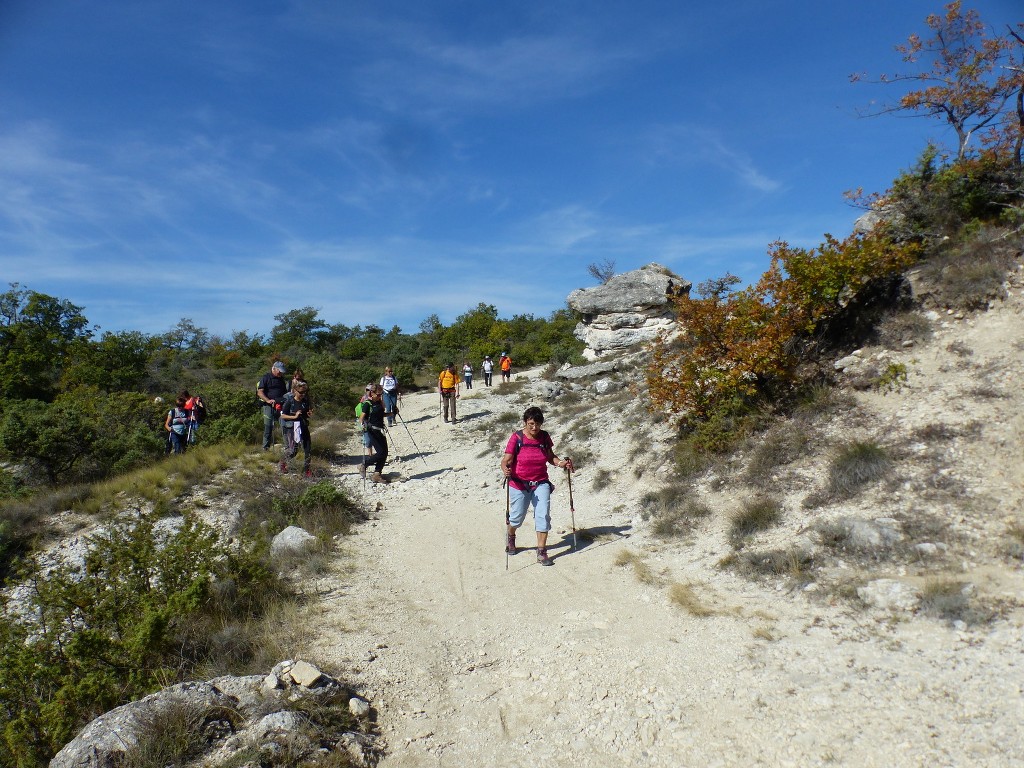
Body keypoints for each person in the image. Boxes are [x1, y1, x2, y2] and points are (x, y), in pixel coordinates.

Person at [500, 406, 573, 566]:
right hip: (519, 483)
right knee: (517, 518)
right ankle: (511, 536)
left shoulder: (544, 437)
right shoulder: (517, 438)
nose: (534, 427)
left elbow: (550, 456)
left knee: (543, 515)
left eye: (537, 424)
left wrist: (561, 463)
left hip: (540, 482)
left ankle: (541, 551)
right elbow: (506, 460)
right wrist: (505, 468)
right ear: (525, 422)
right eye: (531, 424)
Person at [359, 384, 389, 484]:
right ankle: (364, 465)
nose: (380, 396)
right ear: (372, 393)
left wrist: (392, 413)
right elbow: (362, 417)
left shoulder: (379, 402)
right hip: (372, 430)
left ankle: (377, 474)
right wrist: (362, 426)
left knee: (384, 452)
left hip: (380, 429)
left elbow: (381, 414)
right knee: (381, 452)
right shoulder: (368, 403)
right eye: (378, 394)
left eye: (381, 394)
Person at [280, 383, 312, 476]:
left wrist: (308, 414)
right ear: (294, 391)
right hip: (293, 427)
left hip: (303, 426)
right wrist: (294, 416)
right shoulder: (290, 401)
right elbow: (282, 415)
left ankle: (307, 470)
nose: (303, 394)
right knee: (293, 450)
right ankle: (283, 463)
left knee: (308, 449)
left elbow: (306, 412)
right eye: (301, 392)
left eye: (305, 392)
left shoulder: (305, 401)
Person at [257, 361, 289, 450]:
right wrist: (268, 400)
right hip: (269, 406)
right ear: (274, 368)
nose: (281, 373)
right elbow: (260, 392)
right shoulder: (266, 378)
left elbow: (285, 392)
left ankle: (288, 447)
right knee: (268, 427)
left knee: (285, 425)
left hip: (281, 405)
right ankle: (265, 447)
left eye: (282, 371)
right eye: (279, 371)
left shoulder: (282, 379)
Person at [356, 384, 375, 459]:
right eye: (367, 390)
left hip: (373, 420)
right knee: (368, 439)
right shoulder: (364, 399)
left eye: (370, 390)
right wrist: (361, 422)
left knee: (373, 438)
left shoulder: (375, 398)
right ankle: (370, 455)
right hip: (365, 421)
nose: (368, 391)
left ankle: (374, 455)